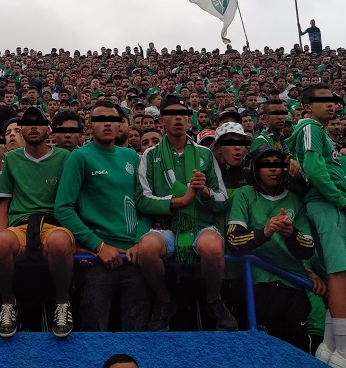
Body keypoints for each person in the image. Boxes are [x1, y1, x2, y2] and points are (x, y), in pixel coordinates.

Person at [135, 95, 237, 332]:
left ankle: (214, 300)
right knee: (146, 249)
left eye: (182, 114)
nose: (178, 118)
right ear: (162, 121)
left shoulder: (205, 155)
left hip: (201, 225)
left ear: (189, 120)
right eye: (171, 114)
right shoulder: (150, 155)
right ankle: (164, 300)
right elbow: (142, 199)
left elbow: (222, 199)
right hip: (167, 228)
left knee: (212, 248)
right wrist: (178, 202)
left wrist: (205, 193)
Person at [286, 84, 346, 368]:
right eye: (323, 100)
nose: (331, 104)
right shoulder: (310, 127)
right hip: (325, 204)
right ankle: (344, 352)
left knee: (338, 273)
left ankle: (329, 347)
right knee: (338, 273)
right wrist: (343, 201)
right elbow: (314, 170)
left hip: (328, 201)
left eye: (333, 100)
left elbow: (332, 173)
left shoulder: (319, 132)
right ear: (307, 106)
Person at [55, 101, 149, 331]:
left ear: (120, 125)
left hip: (134, 257)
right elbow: (63, 208)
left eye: (112, 119)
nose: (107, 124)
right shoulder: (80, 157)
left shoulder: (132, 156)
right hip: (98, 261)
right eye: (100, 119)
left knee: (137, 333)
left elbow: (145, 204)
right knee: (94, 333)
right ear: (89, 126)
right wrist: (98, 246)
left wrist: (140, 241)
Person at [0, 107, 75, 338]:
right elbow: (4, 202)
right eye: (28, 123)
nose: (34, 127)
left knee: (59, 243)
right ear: (21, 130)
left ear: (48, 129)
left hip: (54, 224)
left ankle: (62, 302)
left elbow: (73, 201)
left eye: (39, 123)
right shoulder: (11, 158)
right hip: (20, 225)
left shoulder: (65, 157)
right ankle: (8, 304)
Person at [226, 146, 316, 350]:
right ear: (255, 169)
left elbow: (309, 248)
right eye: (266, 164)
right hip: (258, 284)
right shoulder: (245, 194)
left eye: (277, 164)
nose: (273, 168)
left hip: (293, 285)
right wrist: (265, 232)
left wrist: (291, 234)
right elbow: (233, 240)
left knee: (296, 351)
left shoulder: (295, 199)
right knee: (262, 351)